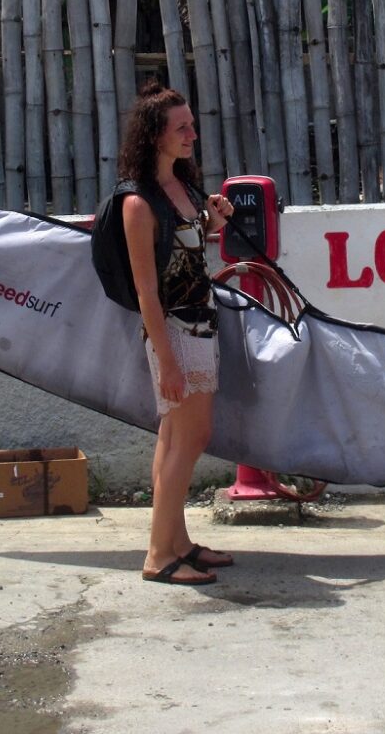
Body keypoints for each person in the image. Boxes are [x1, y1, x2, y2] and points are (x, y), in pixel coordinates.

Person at [117, 80, 235, 586]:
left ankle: (176, 543)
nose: (192, 133)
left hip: (199, 323)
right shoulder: (138, 205)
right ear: (155, 136)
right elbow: (147, 292)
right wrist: (165, 359)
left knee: (175, 438)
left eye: (191, 124)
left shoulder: (182, 189)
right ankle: (158, 555)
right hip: (176, 332)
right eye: (181, 128)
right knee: (189, 438)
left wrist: (212, 220)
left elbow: (189, 251)